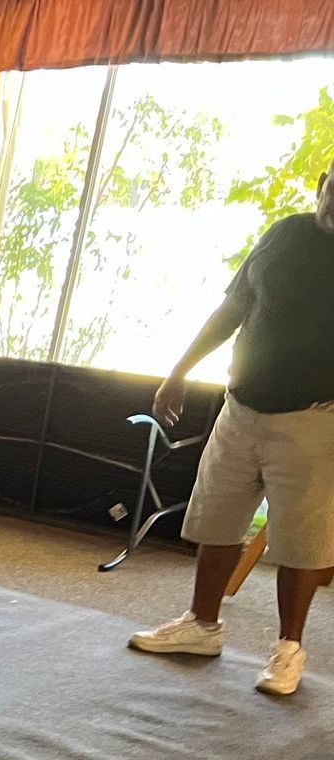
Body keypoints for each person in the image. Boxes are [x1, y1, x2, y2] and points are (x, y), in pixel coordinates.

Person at [128, 164, 334, 696]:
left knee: (303, 540)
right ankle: (202, 626)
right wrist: (178, 372)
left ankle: (289, 650)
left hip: (313, 420)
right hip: (240, 409)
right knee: (216, 518)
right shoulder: (284, 234)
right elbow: (233, 308)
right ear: (321, 185)